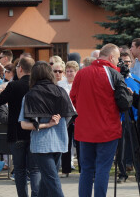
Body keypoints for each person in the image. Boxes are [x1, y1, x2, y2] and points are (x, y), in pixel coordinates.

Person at [70, 43, 132, 197]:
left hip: (85, 131)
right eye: (117, 58)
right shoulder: (113, 74)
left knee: (86, 170)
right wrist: (129, 95)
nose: (118, 62)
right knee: (102, 169)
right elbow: (124, 103)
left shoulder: (82, 73)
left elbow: (73, 99)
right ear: (111, 57)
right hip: (107, 130)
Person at [19, 61, 77, 197]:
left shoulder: (30, 96)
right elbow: (70, 116)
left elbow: (24, 124)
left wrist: (45, 125)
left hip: (41, 143)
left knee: (51, 180)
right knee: (48, 179)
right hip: (60, 141)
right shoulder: (62, 92)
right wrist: (57, 124)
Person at [0, 57, 40, 197]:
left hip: (17, 133)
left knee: (19, 170)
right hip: (34, 131)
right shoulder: (37, 86)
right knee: (35, 169)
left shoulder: (13, 86)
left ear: (20, 69)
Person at [116, 52, 139, 183]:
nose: (125, 65)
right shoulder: (117, 79)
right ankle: (122, 173)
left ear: (131, 63)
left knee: (136, 148)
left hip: (134, 119)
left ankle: (137, 173)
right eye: (123, 62)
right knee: (122, 149)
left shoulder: (135, 78)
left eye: (127, 62)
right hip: (121, 120)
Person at [57, 61, 80, 178]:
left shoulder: (80, 83)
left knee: (80, 144)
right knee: (66, 143)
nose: (69, 73)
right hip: (65, 116)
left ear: (76, 72)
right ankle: (65, 170)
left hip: (78, 116)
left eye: (72, 71)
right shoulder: (60, 84)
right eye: (68, 71)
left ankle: (82, 170)